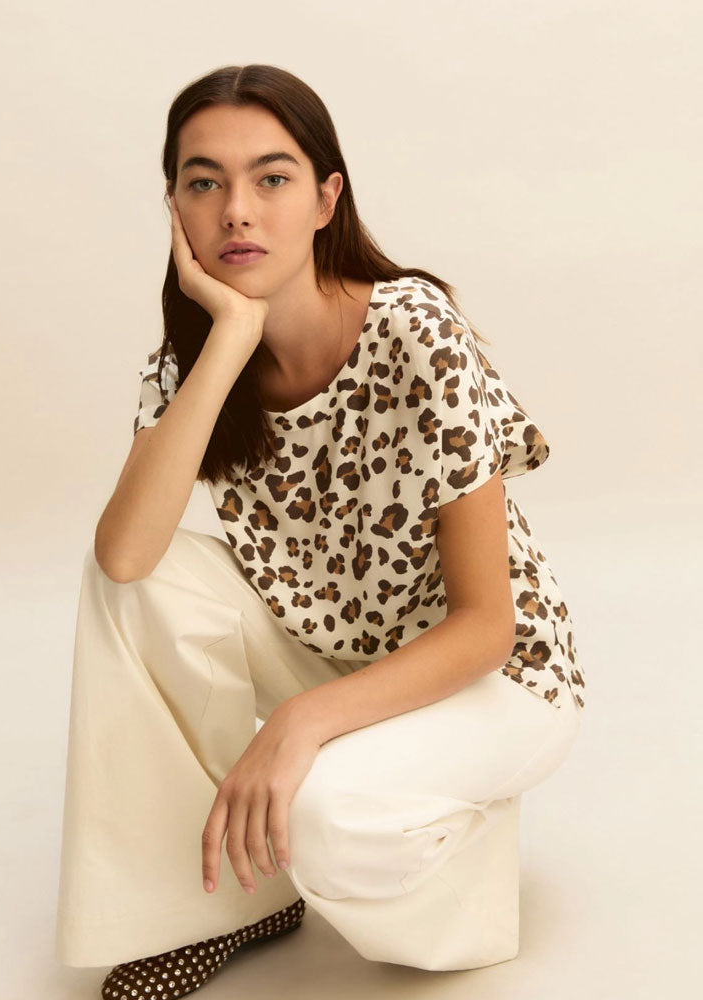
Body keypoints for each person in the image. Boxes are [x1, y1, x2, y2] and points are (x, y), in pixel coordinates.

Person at [54, 64, 588, 999]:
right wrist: (230, 335)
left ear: (326, 199)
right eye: (204, 182)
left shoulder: (415, 330)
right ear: (175, 206)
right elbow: (125, 558)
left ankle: (465, 873)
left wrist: (300, 726)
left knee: (325, 816)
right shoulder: (192, 363)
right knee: (131, 584)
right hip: (336, 652)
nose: (237, 211)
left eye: (272, 178)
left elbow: (486, 627)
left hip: (491, 676)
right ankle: (213, 909)